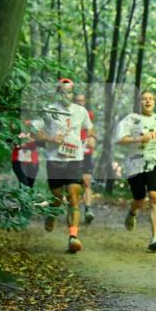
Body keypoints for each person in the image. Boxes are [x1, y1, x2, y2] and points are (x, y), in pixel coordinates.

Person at [36, 79, 95, 253]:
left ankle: (73, 237)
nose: (66, 95)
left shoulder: (80, 111)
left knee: (73, 197)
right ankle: (53, 212)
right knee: (57, 198)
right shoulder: (49, 109)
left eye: (69, 92)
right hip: (54, 160)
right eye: (62, 91)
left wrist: (92, 138)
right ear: (57, 93)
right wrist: (50, 138)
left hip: (75, 159)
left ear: (73, 93)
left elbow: (90, 128)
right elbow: (35, 131)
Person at [117, 90, 156, 252]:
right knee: (139, 199)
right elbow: (120, 139)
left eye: (150, 98)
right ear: (139, 102)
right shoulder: (131, 119)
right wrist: (139, 138)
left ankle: (155, 237)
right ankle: (132, 212)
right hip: (135, 164)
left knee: (154, 196)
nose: (147, 101)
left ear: (154, 102)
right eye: (144, 99)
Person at [73, 93, 96, 224]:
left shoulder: (89, 114)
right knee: (74, 184)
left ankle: (88, 209)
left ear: (85, 102)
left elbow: (92, 130)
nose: (80, 102)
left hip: (85, 152)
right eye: (77, 100)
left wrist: (92, 138)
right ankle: (73, 208)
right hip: (72, 152)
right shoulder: (69, 113)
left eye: (82, 100)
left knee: (87, 181)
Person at [11, 119, 40, 187]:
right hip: (18, 160)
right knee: (24, 184)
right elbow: (13, 138)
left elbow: (40, 140)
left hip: (33, 160)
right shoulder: (16, 121)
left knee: (30, 186)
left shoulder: (37, 121)